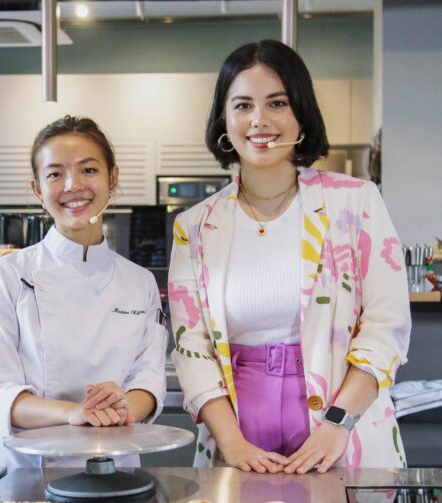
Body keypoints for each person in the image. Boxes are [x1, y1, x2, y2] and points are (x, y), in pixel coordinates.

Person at [168, 40, 411, 474]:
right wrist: (234, 444)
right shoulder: (196, 226)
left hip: (341, 427)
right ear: (224, 119)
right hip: (238, 434)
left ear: (300, 112)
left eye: (276, 103)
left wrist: (337, 424)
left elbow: (385, 326)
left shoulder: (356, 203)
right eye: (242, 105)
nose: (259, 120)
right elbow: (193, 348)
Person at [0, 116, 167, 468]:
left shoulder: (140, 282)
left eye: (88, 170)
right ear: (37, 190)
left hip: (114, 464)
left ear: (113, 178)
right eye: (55, 174)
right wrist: (75, 413)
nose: (73, 185)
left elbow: (149, 379)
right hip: (21, 473)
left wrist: (122, 406)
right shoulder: (8, 275)